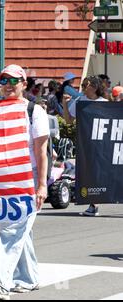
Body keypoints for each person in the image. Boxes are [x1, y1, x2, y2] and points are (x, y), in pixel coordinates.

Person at [0, 64, 49, 300]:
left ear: (24, 84)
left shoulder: (34, 111)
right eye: (4, 81)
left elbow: (41, 152)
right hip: (3, 178)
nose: (8, 86)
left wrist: (41, 185)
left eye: (13, 81)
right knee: (18, 229)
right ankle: (28, 278)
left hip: (25, 177)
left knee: (13, 228)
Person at [62, 75, 108, 217]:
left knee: (103, 173)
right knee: (90, 173)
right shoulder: (81, 101)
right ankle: (93, 204)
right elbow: (69, 121)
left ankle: (97, 203)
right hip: (85, 143)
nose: (81, 89)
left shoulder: (105, 103)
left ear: (94, 87)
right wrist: (65, 104)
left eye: (84, 86)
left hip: (103, 144)